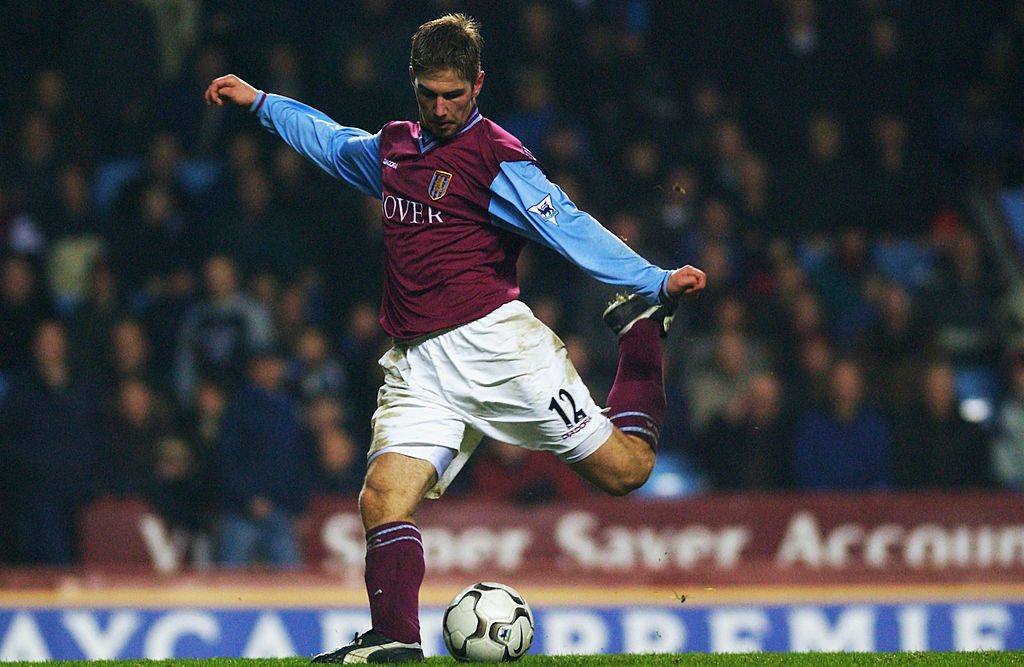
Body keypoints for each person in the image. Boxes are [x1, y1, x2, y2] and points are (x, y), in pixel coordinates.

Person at [204, 13, 705, 663]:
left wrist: (654, 282)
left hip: (498, 350)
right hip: (418, 363)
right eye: (429, 94)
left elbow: (570, 227)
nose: (442, 108)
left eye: (455, 95)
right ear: (413, 83)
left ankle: (640, 331)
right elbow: (330, 142)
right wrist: (264, 103)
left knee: (626, 470)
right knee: (382, 495)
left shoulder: (497, 158)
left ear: (479, 84)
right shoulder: (394, 149)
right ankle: (395, 639)